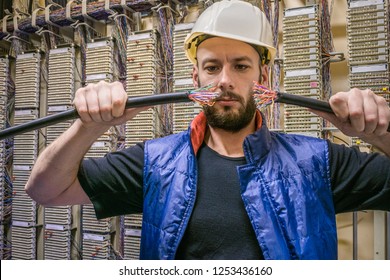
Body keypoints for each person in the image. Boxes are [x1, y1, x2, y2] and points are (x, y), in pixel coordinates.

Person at [25, 0, 390, 259]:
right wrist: (87, 128)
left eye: (241, 66)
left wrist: (378, 135)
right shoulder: (156, 163)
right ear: (194, 77)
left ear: (262, 77)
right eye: (213, 67)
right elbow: (45, 190)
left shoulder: (316, 162)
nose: (225, 81)